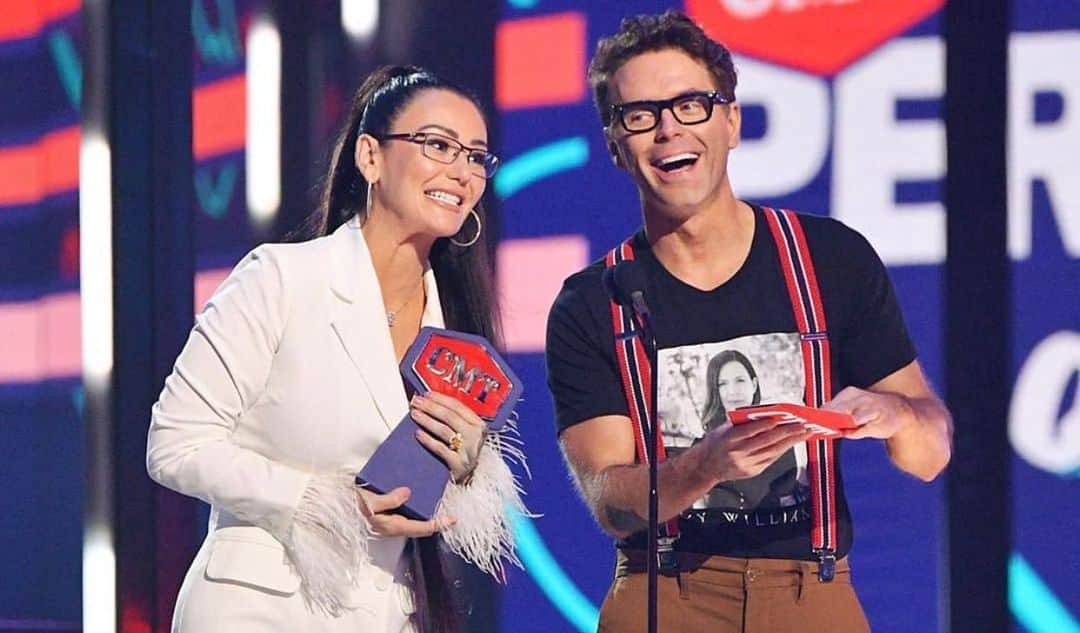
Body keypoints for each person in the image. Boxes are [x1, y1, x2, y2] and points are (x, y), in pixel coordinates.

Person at [545, 11, 953, 632]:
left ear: (730, 121)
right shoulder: (589, 303)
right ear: (615, 147)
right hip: (665, 592)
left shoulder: (830, 259)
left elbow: (930, 454)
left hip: (810, 594)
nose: (667, 131)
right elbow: (611, 503)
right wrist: (704, 466)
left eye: (691, 105)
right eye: (641, 115)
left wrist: (897, 414)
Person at [147, 65, 527, 633]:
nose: (461, 171)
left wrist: (468, 464)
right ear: (370, 157)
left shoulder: (455, 324)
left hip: (384, 613)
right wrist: (317, 501)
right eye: (437, 146)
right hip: (257, 608)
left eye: (475, 156)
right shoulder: (281, 278)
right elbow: (173, 443)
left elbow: (433, 502)